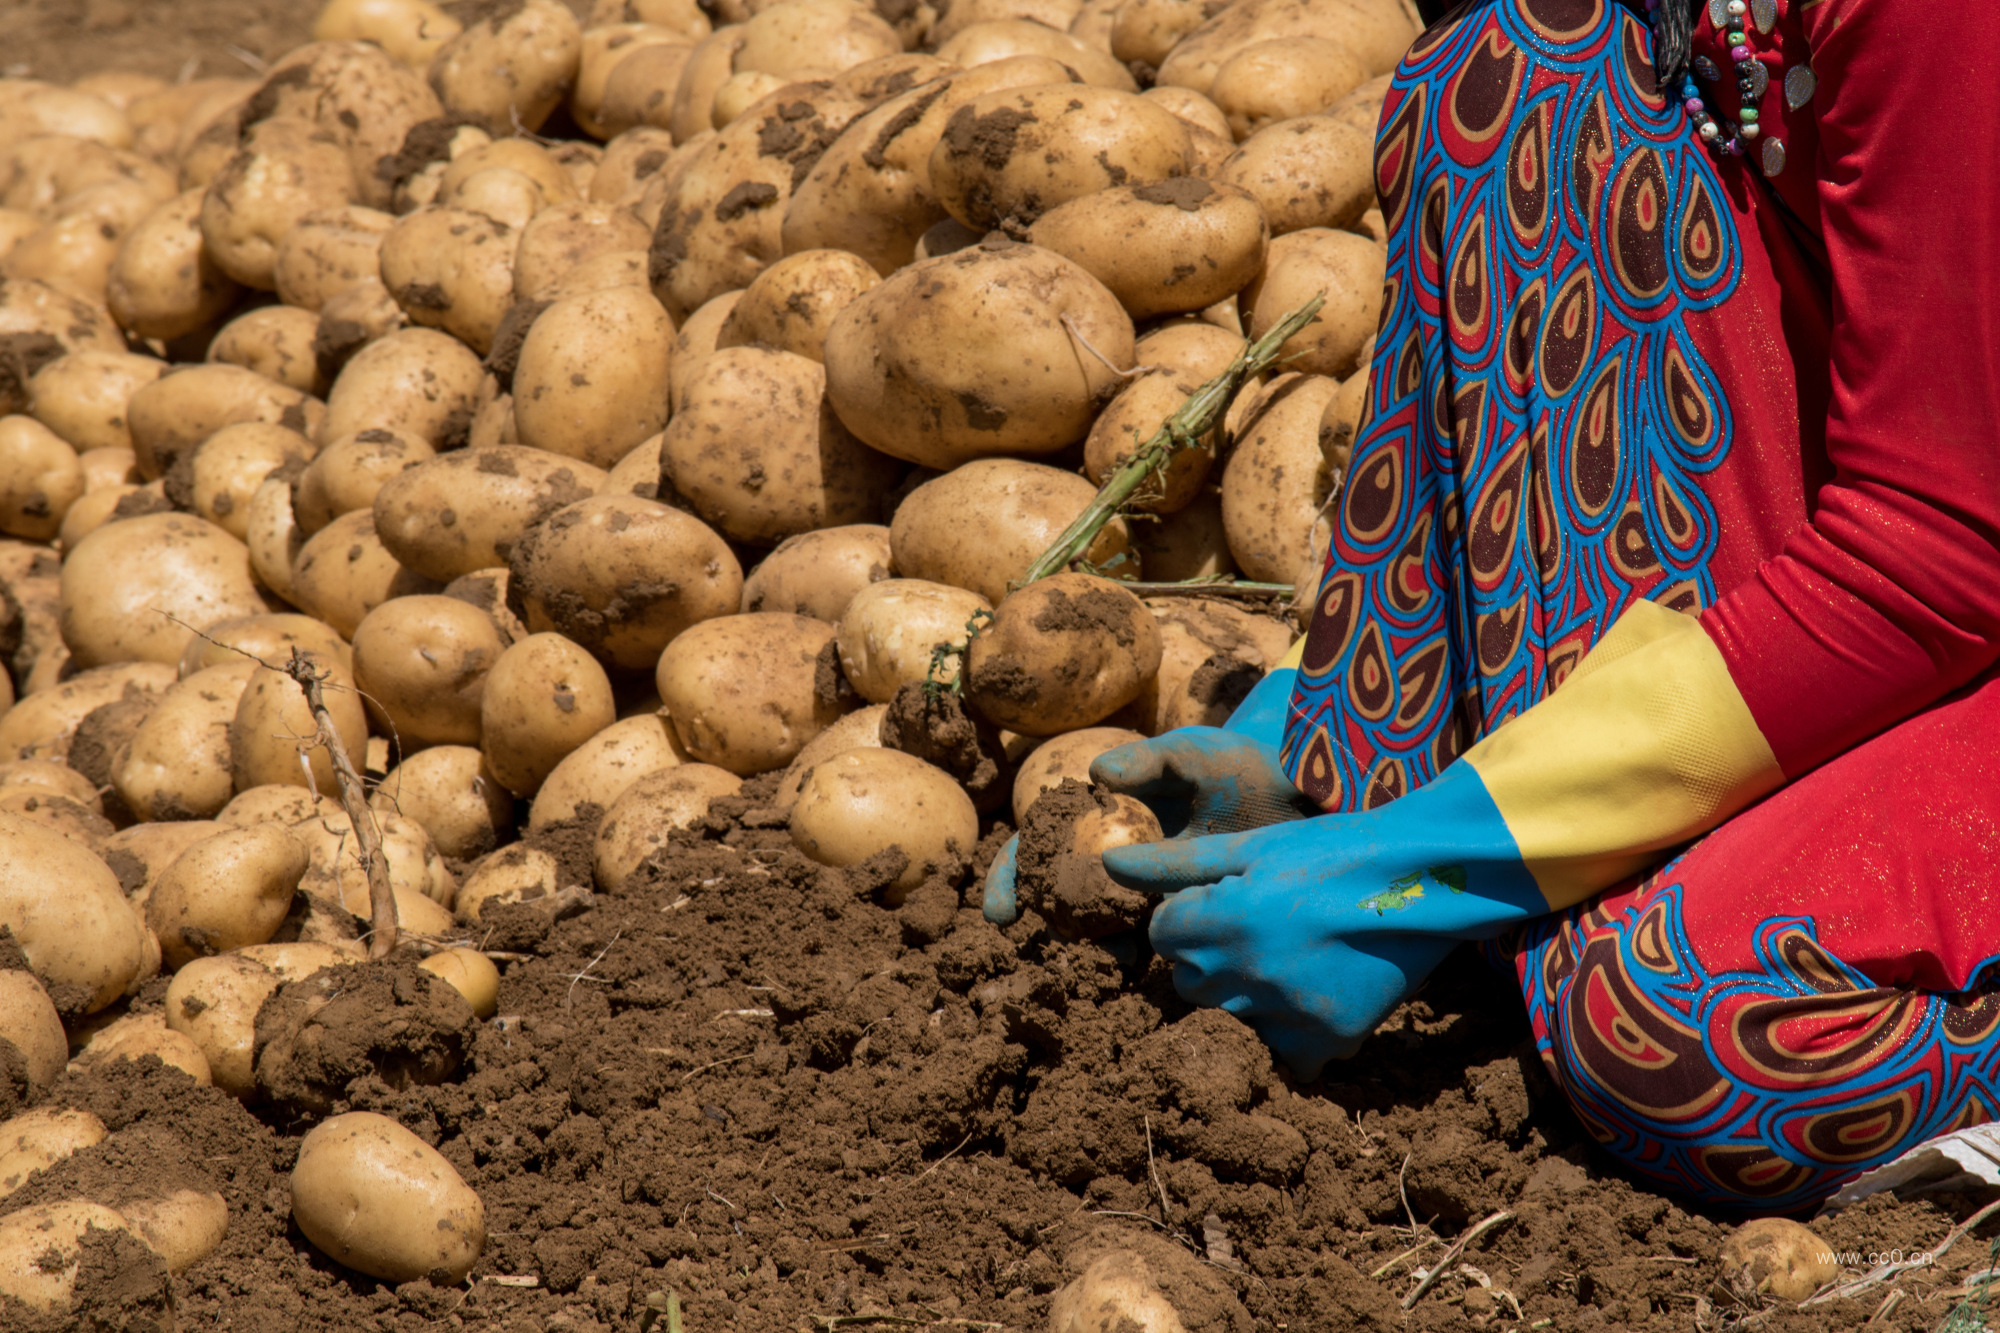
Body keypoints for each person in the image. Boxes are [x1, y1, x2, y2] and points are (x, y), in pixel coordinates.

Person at [991, 0, 2000, 1212]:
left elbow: (1944, 545)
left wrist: (1412, 870)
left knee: (1668, 1028)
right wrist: (1336, 740)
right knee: (1517, 73)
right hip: (1929, 554)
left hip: (1957, 573)